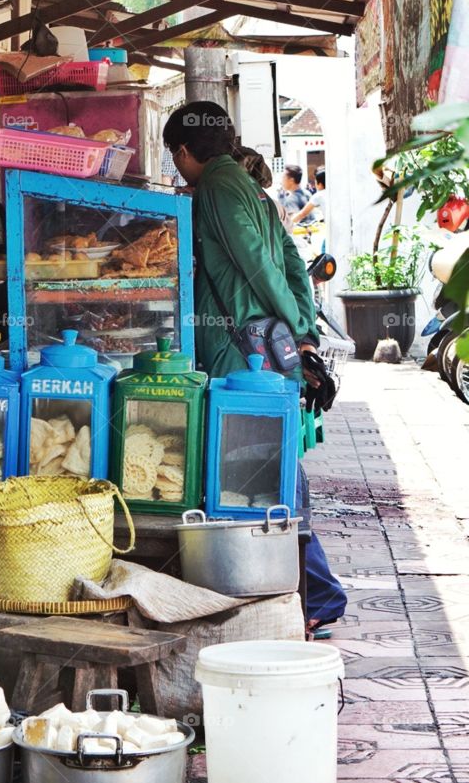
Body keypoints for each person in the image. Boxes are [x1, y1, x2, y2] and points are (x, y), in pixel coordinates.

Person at [163, 101, 347, 633]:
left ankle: (311, 594)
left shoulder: (218, 187)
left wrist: (290, 319)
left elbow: (262, 264)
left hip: (240, 346)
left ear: (182, 151)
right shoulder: (251, 187)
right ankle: (310, 592)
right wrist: (302, 330)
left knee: (257, 463)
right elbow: (291, 262)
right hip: (266, 343)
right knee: (274, 456)